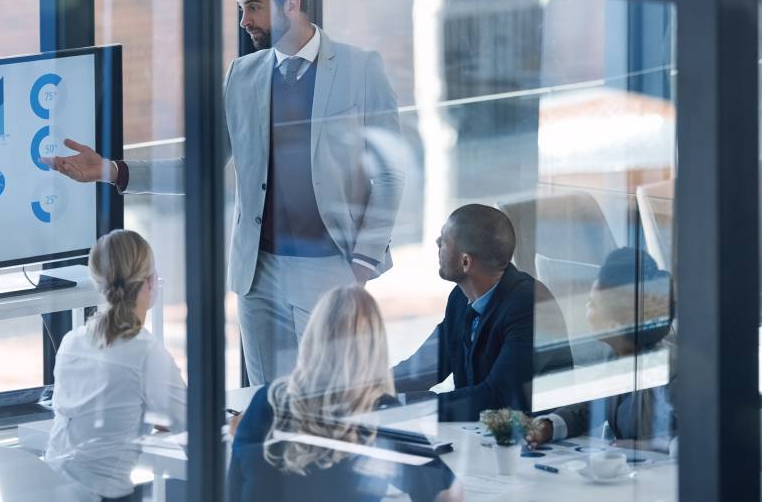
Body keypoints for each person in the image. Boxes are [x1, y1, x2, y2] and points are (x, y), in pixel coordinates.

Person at [48, 0, 405, 384]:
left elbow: (389, 176)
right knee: (263, 406)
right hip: (260, 274)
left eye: (253, 6)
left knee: (328, 403)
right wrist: (111, 170)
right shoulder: (242, 75)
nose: (244, 21)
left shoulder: (360, 69)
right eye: (241, 8)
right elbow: (201, 168)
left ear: (291, 5)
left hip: (330, 267)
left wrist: (360, 267)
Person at [228, 285, 461, 502]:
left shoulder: (267, 400)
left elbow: (233, 491)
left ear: (312, 338)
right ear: (374, 347)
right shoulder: (383, 414)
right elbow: (447, 494)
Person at [392, 204, 573, 421]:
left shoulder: (528, 305)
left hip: (529, 439)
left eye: (445, 240)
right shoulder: (460, 298)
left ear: (465, 262)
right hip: (477, 432)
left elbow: (495, 397)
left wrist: (407, 406)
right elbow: (424, 368)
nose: (437, 243)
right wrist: (363, 389)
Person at [44, 229, 187, 502]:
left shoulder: (71, 342)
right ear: (150, 282)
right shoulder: (145, 352)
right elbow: (198, 428)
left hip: (54, 489)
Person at [527, 248, 676, 452]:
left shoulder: (672, 370)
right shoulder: (616, 355)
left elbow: (702, 440)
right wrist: (549, 426)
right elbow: (588, 407)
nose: (586, 310)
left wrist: (643, 446)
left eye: (592, 304)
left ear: (615, 323)